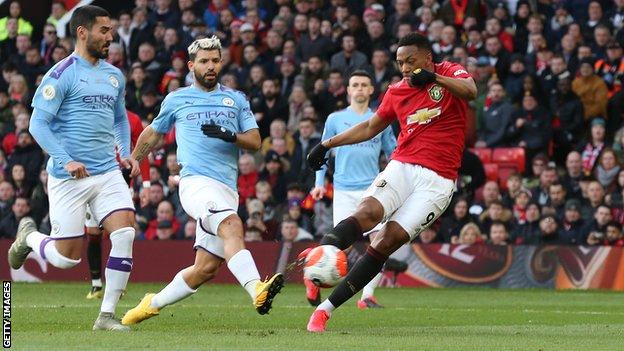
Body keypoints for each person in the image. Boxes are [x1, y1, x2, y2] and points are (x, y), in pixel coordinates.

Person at [305, 33, 476, 332]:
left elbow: (471, 91)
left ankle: (325, 309)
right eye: (400, 63)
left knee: (386, 241)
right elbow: (371, 126)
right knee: (367, 213)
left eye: (411, 61)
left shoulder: (449, 71)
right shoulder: (397, 91)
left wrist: (434, 77)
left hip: (438, 182)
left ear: (427, 57)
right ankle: (321, 256)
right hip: (403, 166)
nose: (406, 68)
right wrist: (326, 144)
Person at [122, 36, 284, 326]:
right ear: (191, 65)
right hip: (195, 183)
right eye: (204, 61)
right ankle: (256, 288)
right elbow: (153, 132)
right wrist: (135, 159)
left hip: (226, 188)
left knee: (205, 269)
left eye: (215, 61)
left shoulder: (236, 99)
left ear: (221, 63)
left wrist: (230, 135)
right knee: (232, 224)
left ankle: (149, 304)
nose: (210, 66)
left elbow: (256, 141)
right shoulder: (177, 98)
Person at [7, 6, 139, 331]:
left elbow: (120, 118)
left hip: (107, 172)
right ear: (82, 32)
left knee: (124, 233)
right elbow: (38, 125)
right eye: (104, 31)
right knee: (66, 259)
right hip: (69, 178)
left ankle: (106, 316)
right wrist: (65, 158)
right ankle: (29, 237)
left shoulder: (114, 76)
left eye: (111, 31)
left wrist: (125, 150)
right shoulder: (62, 73)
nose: (111, 37)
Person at [305, 70, 396, 309]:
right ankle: (313, 277)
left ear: (370, 90)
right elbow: (322, 153)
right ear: (348, 90)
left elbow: (393, 153)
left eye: (363, 85)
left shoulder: (380, 118)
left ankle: (367, 296)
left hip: (373, 189)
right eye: (354, 84)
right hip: (344, 190)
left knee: (380, 241)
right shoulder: (334, 119)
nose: (358, 88)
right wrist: (318, 184)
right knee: (341, 246)